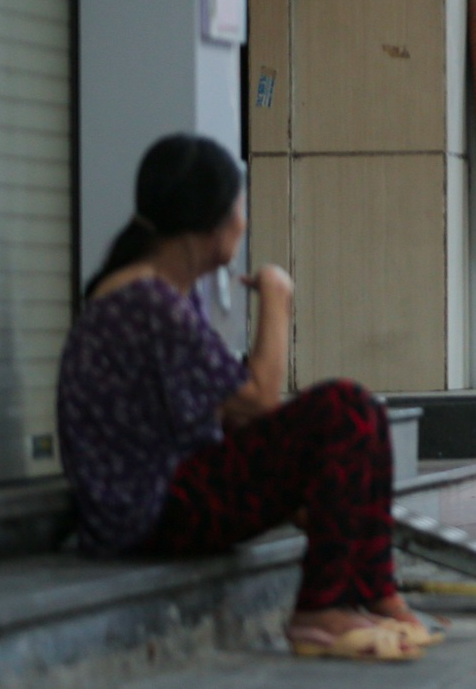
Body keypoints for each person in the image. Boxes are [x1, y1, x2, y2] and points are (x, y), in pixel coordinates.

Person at [57, 134, 437, 661]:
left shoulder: (160, 294)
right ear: (209, 219)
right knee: (343, 407)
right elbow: (258, 398)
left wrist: (313, 484)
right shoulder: (145, 300)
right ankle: (319, 610)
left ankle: (375, 591)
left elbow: (227, 412)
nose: (243, 218)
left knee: (364, 411)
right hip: (146, 512)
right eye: (238, 204)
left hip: (164, 496)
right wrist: (278, 298)